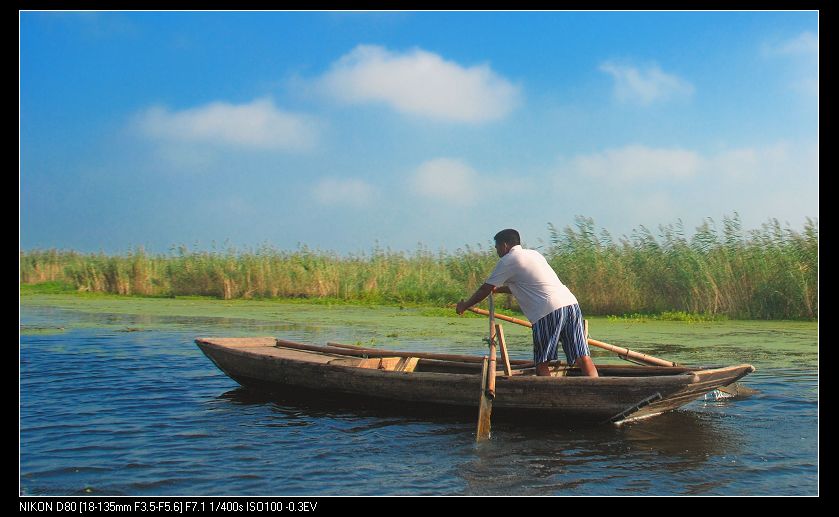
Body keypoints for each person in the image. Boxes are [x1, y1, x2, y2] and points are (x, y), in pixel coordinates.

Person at [456, 229, 599, 378]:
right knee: (582, 357)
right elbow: (528, 286)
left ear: (505, 245)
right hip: (570, 304)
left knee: (541, 363)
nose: (497, 251)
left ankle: (549, 396)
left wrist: (465, 305)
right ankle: (598, 388)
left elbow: (485, 288)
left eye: (497, 247)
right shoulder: (534, 254)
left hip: (547, 310)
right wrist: (498, 290)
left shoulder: (508, 260)